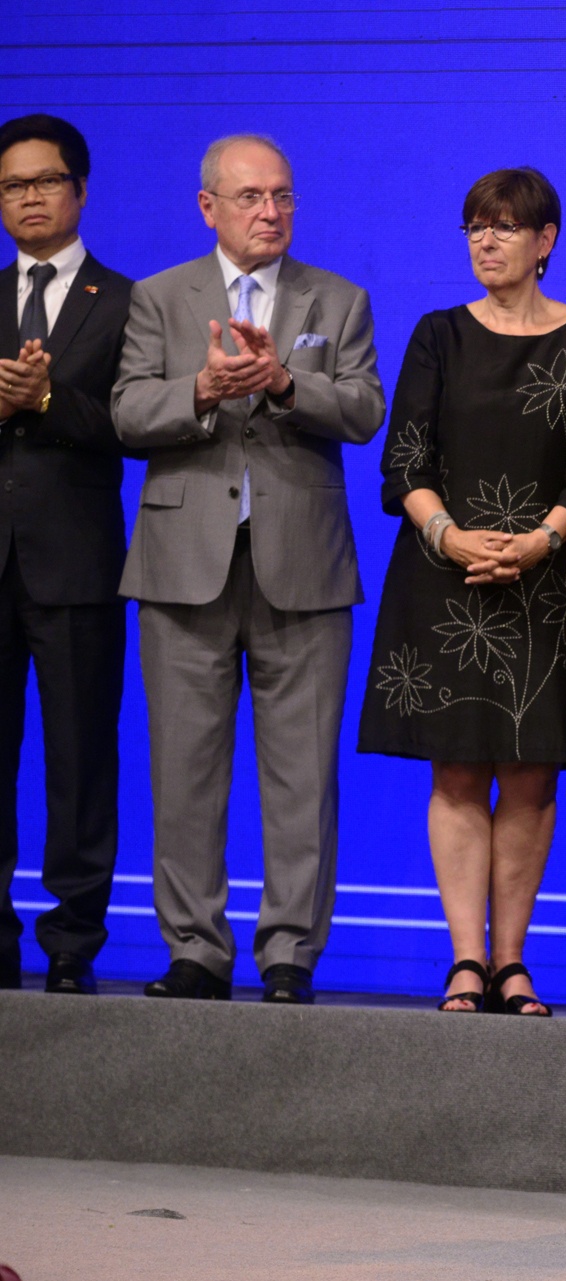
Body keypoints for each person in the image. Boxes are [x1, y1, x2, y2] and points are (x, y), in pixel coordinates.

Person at [112, 134, 384, 1004]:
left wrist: (282, 385)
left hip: (301, 568)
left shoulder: (337, 299)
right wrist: (202, 389)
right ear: (209, 207)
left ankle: (289, 953)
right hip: (181, 563)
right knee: (184, 771)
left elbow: (364, 407)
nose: (272, 213)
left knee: (303, 773)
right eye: (252, 197)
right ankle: (194, 947)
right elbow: (125, 409)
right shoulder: (159, 297)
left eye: (284, 197)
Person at [357, 168, 566, 1017]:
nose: (486, 240)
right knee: (459, 772)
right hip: (445, 577)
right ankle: (465, 961)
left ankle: (514, 963)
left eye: (505, 227)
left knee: (533, 775)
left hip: (546, 584)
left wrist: (540, 541)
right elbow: (406, 459)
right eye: (475, 226)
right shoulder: (439, 334)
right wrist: (449, 535)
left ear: (545, 241)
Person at [0, 114, 131, 997]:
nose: (30, 197)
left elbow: (135, 425)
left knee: (80, 758)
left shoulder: (129, 301)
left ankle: (74, 939)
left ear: (79, 190)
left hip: (79, 561)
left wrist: (47, 399)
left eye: (46, 181)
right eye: (14, 186)